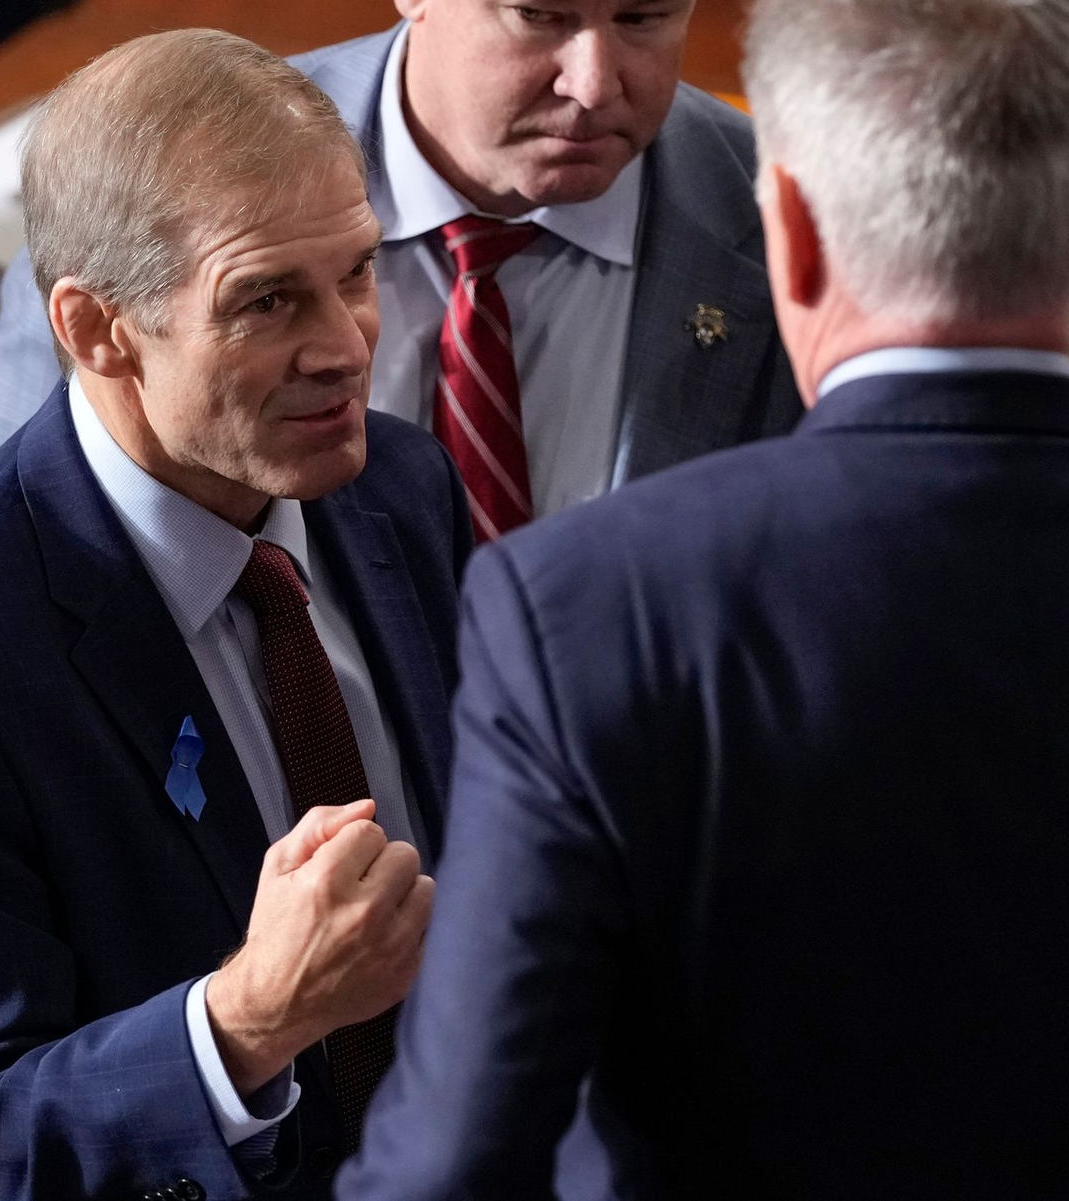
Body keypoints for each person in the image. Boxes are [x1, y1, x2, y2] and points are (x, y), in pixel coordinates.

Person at [338, 0, 1069, 1195]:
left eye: (643, 14)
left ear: (790, 231)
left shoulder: (588, 601)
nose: (595, 77)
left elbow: (456, 1161)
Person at [0, 29, 472, 1201]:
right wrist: (247, 1020)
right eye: (267, 302)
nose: (347, 348)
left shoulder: (400, 486)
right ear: (95, 330)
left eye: (355, 272)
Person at [0, 0, 802, 536]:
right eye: (539, 16)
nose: (592, 82)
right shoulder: (156, 187)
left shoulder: (796, 222)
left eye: (644, 18)